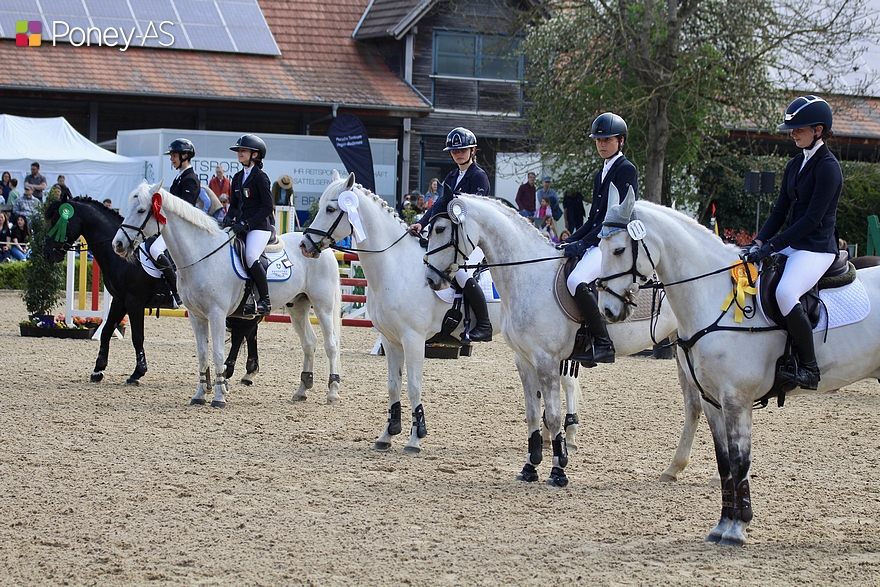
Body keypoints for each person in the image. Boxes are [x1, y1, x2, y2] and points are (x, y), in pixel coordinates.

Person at [742, 95, 842, 391]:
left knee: (786, 293)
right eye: (793, 130)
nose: (794, 134)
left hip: (817, 247)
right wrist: (757, 241)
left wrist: (772, 246)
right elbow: (779, 211)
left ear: (818, 130)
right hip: (794, 243)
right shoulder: (796, 163)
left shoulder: (828, 168)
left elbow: (811, 220)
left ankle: (810, 367)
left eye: (800, 129)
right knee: (750, 276)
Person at [560, 112, 638, 365]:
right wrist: (571, 239)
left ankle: (603, 343)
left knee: (576, 280)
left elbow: (613, 219)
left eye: (608, 139)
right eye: (598, 140)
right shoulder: (600, 174)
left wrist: (584, 243)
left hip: (614, 242)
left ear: (621, 140)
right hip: (598, 237)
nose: (602, 144)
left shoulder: (626, 170)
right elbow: (593, 219)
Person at [409, 127, 493, 342]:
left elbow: (474, 214)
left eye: (463, 149)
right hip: (452, 239)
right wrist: (422, 223)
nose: (458, 154)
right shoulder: (453, 175)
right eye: (454, 151)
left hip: (472, 240)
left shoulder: (479, 177)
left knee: (461, 273)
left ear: (473, 150)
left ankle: (484, 324)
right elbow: (439, 205)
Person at [224, 134, 274, 315]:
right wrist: (228, 219)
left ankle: (265, 300)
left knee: (251, 256)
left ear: (255, 154)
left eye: (243, 150)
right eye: (239, 150)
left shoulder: (261, 177)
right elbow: (235, 205)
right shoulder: (237, 177)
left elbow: (267, 207)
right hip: (241, 225)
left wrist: (246, 224)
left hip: (259, 227)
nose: (239, 153)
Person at [149, 138, 200, 308]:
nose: (172, 159)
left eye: (174, 155)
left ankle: (175, 292)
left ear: (185, 155)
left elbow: (185, 207)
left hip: (181, 229)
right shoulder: (180, 177)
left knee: (155, 250)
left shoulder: (190, 178)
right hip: (170, 226)